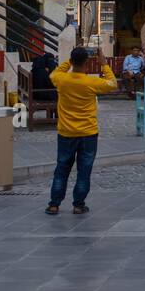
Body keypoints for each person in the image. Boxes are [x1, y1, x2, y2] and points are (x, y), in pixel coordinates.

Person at [46, 47, 118, 216]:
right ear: (87, 62)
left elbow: (53, 74)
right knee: (84, 171)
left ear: (71, 61)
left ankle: (54, 204)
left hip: (66, 132)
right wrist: (104, 65)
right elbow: (112, 83)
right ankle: (78, 204)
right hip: (88, 133)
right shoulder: (91, 83)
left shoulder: (61, 79)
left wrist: (68, 61)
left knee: (61, 169)